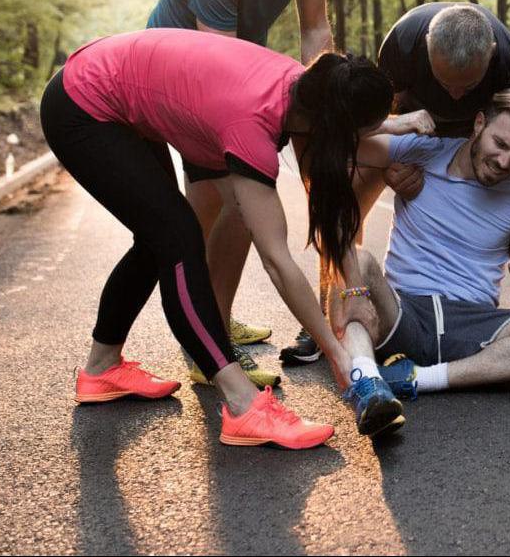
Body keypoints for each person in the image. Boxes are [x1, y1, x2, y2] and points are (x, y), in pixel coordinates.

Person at [40, 28, 405, 444]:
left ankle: (101, 368)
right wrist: (339, 355)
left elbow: (325, 195)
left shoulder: (306, 86)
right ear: (330, 126)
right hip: (82, 105)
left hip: (110, 89)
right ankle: (242, 404)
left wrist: (401, 126)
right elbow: (277, 261)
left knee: (158, 232)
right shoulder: (251, 123)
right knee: (178, 237)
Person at [281, 2, 510, 367]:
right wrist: (394, 159)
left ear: (490, 56)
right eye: (446, 83)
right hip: (418, 126)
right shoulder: (402, 43)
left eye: (469, 85)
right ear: (428, 46)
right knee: (346, 175)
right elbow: (364, 122)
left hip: (491, 134)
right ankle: (332, 300)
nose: (456, 95)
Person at [146, 0, 336, 384]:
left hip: (228, 66)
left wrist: (322, 97)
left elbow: (316, 27)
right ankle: (211, 350)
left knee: (212, 205)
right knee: (235, 201)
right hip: (178, 75)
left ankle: (211, 319)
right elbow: (220, 66)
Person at [344, 89, 510, 397]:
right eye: (499, 144)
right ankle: (368, 379)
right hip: (401, 311)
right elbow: (336, 141)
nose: (504, 161)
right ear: (478, 125)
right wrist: (391, 123)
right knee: (352, 259)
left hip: (473, 324)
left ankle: (419, 379)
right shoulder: (422, 151)